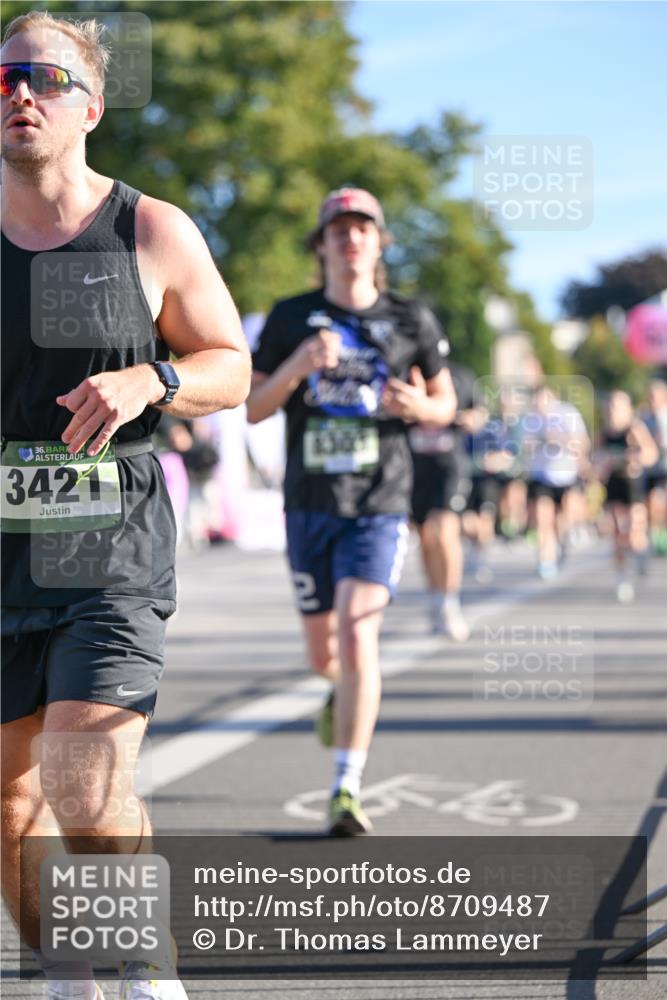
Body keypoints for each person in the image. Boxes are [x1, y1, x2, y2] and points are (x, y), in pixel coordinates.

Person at [0, 11, 250, 1000]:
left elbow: (229, 364)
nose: (18, 92)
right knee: (9, 807)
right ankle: (69, 970)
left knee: (82, 779)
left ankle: (147, 977)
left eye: (44, 78)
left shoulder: (148, 227)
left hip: (112, 546)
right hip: (3, 550)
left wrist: (152, 381)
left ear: (90, 106)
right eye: (2, 75)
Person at [246, 186, 456, 836]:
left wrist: (414, 408)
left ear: (379, 240)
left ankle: (345, 786)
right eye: (338, 228)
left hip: (379, 500)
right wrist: (297, 367)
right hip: (310, 500)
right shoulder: (290, 316)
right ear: (321, 244)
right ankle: (340, 690)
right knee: (322, 655)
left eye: (362, 226)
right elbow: (252, 407)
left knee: (358, 632)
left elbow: (444, 404)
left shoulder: (411, 318)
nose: (350, 237)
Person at [409, 363, 480, 640]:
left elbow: (479, 414)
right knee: (427, 537)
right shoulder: (404, 372)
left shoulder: (461, 376)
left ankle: (450, 601)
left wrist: (467, 419)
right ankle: (435, 599)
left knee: (444, 533)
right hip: (415, 467)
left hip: (449, 468)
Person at [521, 384, 589, 578]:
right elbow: (525, 445)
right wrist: (538, 441)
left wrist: (558, 438)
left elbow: (581, 442)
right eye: (537, 400)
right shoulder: (531, 418)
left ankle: (561, 541)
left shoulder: (567, 413)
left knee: (562, 520)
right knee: (543, 520)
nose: (540, 405)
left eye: (544, 399)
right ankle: (546, 560)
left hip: (565, 475)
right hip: (541, 476)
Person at [595, 390, 658, 603]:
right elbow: (592, 460)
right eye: (611, 406)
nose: (613, 410)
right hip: (613, 485)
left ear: (626, 408)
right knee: (616, 535)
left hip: (631, 484)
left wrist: (636, 458)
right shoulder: (604, 434)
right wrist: (600, 466)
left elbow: (651, 454)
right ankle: (622, 578)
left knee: (633, 534)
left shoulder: (635, 429)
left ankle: (641, 551)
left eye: (617, 406)